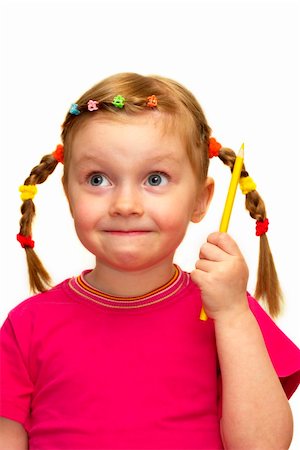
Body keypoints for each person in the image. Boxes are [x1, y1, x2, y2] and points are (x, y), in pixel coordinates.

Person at [0, 72, 299, 450]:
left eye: (155, 179)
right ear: (68, 194)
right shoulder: (26, 326)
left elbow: (264, 446)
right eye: (97, 179)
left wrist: (234, 315)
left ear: (201, 201)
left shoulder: (229, 312)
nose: (125, 205)